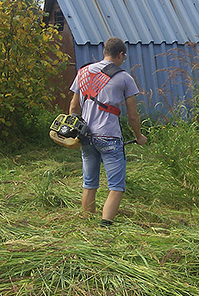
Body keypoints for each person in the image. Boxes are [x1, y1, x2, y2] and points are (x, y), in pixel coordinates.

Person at [69, 37, 147, 227]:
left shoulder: (83, 72)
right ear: (120, 54)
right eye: (123, 57)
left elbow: (73, 108)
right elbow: (133, 117)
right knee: (117, 187)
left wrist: (75, 133)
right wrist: (139, 136)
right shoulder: (124, 78)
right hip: (110, 137)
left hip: (86, 136)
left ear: (105, 52)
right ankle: (105, 227)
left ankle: (87, 225)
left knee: (89, 183)